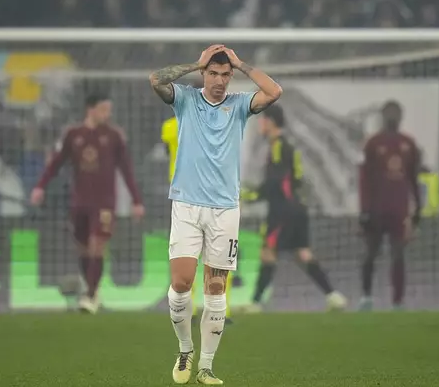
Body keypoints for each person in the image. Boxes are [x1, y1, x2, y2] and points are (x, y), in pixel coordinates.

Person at [149, 44, 282, 385]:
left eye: (226, 74)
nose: (220, 81)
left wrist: (241, 63)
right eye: (213, 73)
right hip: (187, 204)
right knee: (180, 283)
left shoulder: (239, 106)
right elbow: (155, 79)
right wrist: (196, 61)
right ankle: (185, 349)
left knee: (216, 287)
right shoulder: (186, 99)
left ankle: (206, 366)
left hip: (224, 209)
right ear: (203, 74)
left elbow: (274, 91)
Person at [30, 94, 145, 314]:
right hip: (80, 201)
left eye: (108, 110)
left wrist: (136, 200)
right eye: (104, 109)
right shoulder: (73, 135)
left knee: (97, 245)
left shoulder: (113, 136)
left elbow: (126, 169)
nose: (107, 114)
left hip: (104, 203)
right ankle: (91, 288)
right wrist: (40, 186)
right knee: (83, 248)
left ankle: (90, 295)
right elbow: (56, 163)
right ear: (90, 109)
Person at [241, 105, 347, 313]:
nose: (259, 125)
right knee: (302, 254)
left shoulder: (278, 146)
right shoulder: (286, 146)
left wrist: (250, 196)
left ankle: (255, 303)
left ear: (271, 122)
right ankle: (333, 296)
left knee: (268, 253)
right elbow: (293, 180)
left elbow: (276, 182)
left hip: (283, 210)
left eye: (262, 120)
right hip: (296, 208)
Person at [160, 94, 236, 325]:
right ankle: (223, 310)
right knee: (218, 259)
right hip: (208, 195)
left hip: (184, 196)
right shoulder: (215, 125)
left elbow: (167, 151)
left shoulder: (170, 126)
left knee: (187, 256)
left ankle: (190, 309)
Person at [358, 100, 421, 311]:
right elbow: (364, 178)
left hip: (399, 210)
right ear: (383, 117)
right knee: (370, 254)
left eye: (396, 114)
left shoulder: (408, 144)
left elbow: (413, 178)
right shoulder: (373, 143)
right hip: (376, 210)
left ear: (400, 118)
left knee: (398, 255)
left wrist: (418, 208)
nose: (392, 118)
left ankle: (398, 302)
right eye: (389, 114)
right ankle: (366, 298)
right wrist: (364, 209)